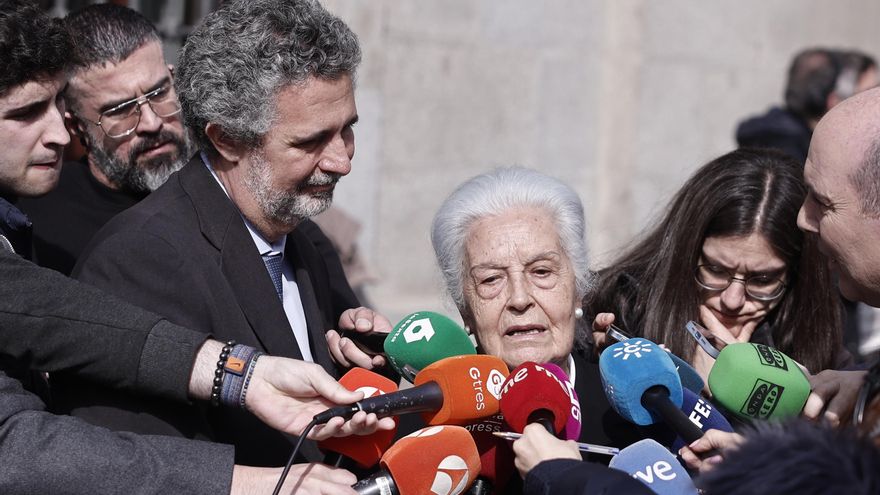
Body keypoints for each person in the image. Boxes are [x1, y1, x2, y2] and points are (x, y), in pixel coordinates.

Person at [69, 0, 387, 467]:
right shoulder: (137, 262)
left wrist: (364, 361)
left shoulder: (307, 240)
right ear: (227, 139)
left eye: (347, 130)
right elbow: (137, 468)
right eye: (310, 141)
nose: (342, 160)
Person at [587, 149, 847, 389]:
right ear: (685, 254)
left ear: (795, 277)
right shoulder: (617, 310)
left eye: (762, 280)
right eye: (715, 270)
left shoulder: (823, 352)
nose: (732, 301)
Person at [431, 168, 644, 459]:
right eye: (491, 279)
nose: (519, 299)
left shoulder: (635, 420)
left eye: (541, 272)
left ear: (578, 289)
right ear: (464, 310)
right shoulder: (429, 436)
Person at [16, 3, 193, 275]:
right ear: (75, 125)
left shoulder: (226, 182)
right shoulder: (39, 229)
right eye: (121, 110)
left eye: (159, 93)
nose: (152, 122)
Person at [736, 48, 878, 164]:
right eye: (868, 92)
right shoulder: (797, 166)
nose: (875, 100)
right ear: (834, 101)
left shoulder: (770, 134)